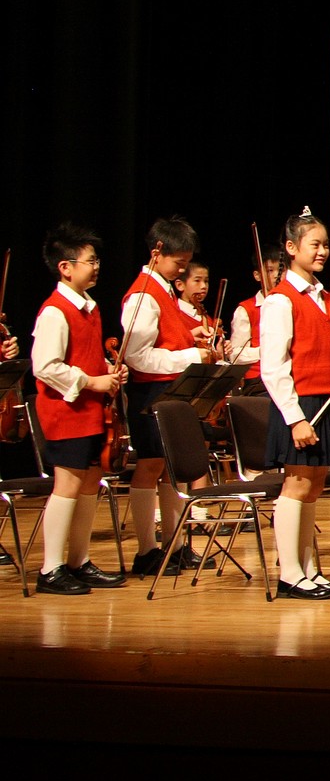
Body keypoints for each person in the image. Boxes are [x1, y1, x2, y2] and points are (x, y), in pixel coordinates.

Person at [28, 222, 128, 594]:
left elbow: (84, 356)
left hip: (90, 410)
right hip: (65, 411)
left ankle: (78, 561)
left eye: (97, 260)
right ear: (65, 267)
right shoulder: (55, 311)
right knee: (67, 484)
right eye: (90, 261)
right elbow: (45, 366)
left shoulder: (89, 307)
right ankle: (50, 568)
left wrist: (108, 370)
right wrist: (91, 381)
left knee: (89, 483)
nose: (97, 266)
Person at [258, 209, 330, 598]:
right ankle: (290, 574)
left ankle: (309, 569)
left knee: (314, 487)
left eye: (326, 244)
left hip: (325, 399)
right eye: (315, 244)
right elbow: (273, 366)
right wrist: (295, 418)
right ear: (292, 248)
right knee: (296, 484)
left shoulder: (327, 300)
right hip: (299, 404)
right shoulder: (280, 301)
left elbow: (318, 350)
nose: (323, 251)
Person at [119, 216, 218, 576]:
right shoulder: (142, 296)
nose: (183, 269)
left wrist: (191, 337)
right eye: (179, 262)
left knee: (168, 471)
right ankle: (147, 550)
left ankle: (174, 546)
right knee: (150, 467)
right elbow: (137, 356)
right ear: (157, 254)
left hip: (169, 391)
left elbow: (166, 339)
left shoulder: (162, 291)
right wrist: (191, 356)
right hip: (151, 391)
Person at [225, 247, 284, 385]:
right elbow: (235, 354)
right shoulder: (246, 310)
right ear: (257, 275)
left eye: (281, 270)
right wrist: (266, 351)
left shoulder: (292, 305)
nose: (277, 275)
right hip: (259, 382)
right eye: (270, 270)